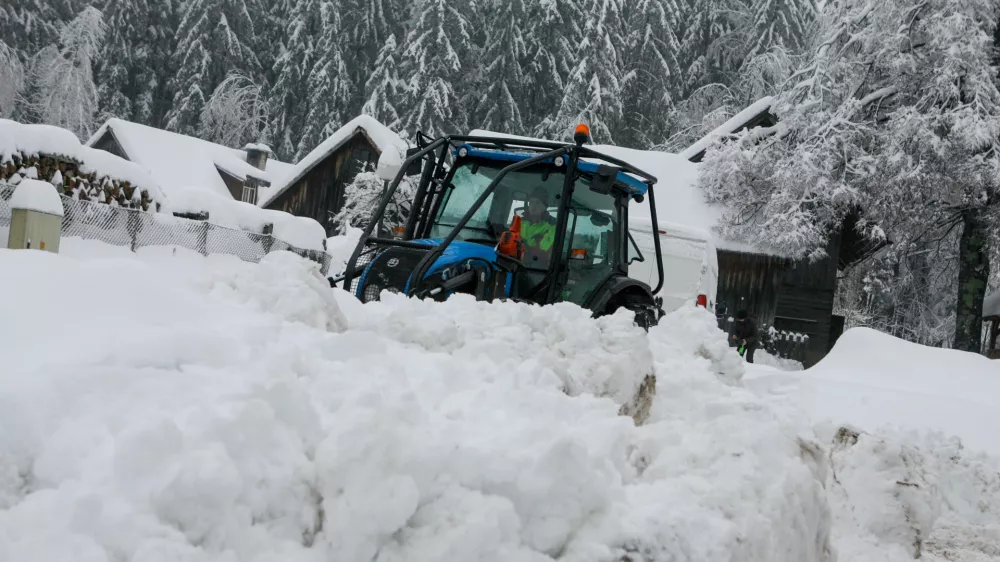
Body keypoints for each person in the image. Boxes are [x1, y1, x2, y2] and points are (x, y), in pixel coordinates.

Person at [520, 187, 556, 268]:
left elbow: (544, 251)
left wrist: (524, 247)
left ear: (545, 206)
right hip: (516, 261)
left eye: (537, 203)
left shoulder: (552, 226)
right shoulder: (519, 221)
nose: (533, 206)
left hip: (537, 268)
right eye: (531, 202)